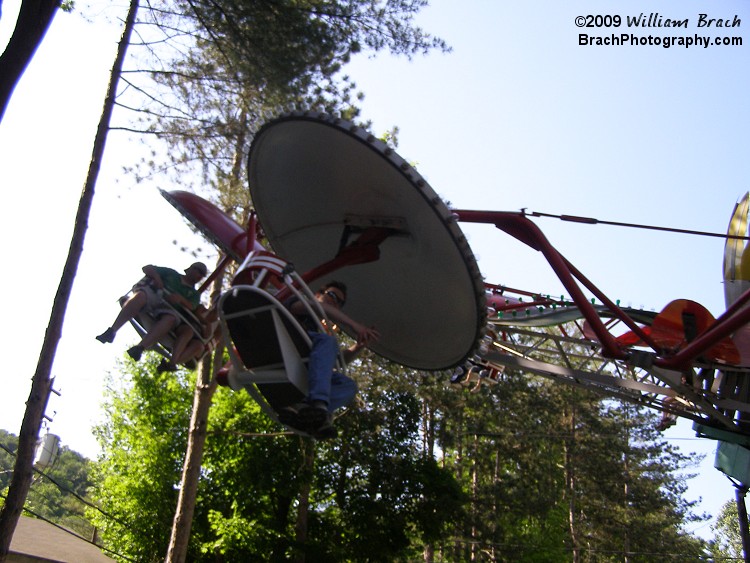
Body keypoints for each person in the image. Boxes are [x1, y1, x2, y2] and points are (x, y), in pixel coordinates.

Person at [280, 281, 379, 439]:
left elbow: (334, 363)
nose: (334, 302)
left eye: (339, 303)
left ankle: (305, 410)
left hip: (306, 369)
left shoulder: (319, 335)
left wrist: (359, 346)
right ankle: (319, 406)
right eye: (331, 295)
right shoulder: (299, 302)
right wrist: (354, 325)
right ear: (317, 295)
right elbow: (321, 308)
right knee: (327, 341)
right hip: (286, 348)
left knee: (348, 386)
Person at [96, 262, 208, 362]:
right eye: (198, 271)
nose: (199, 276)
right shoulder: (172, 274)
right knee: (140, 295)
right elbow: (147, 268)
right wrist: (157, 278)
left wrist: (180, 299)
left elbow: (192, 306)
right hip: (154, 297)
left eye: (202, 275)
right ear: (190, 269)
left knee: (171, 319)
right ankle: (112, 331)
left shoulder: (194, 294)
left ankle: (140, 347)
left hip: (169, 310)